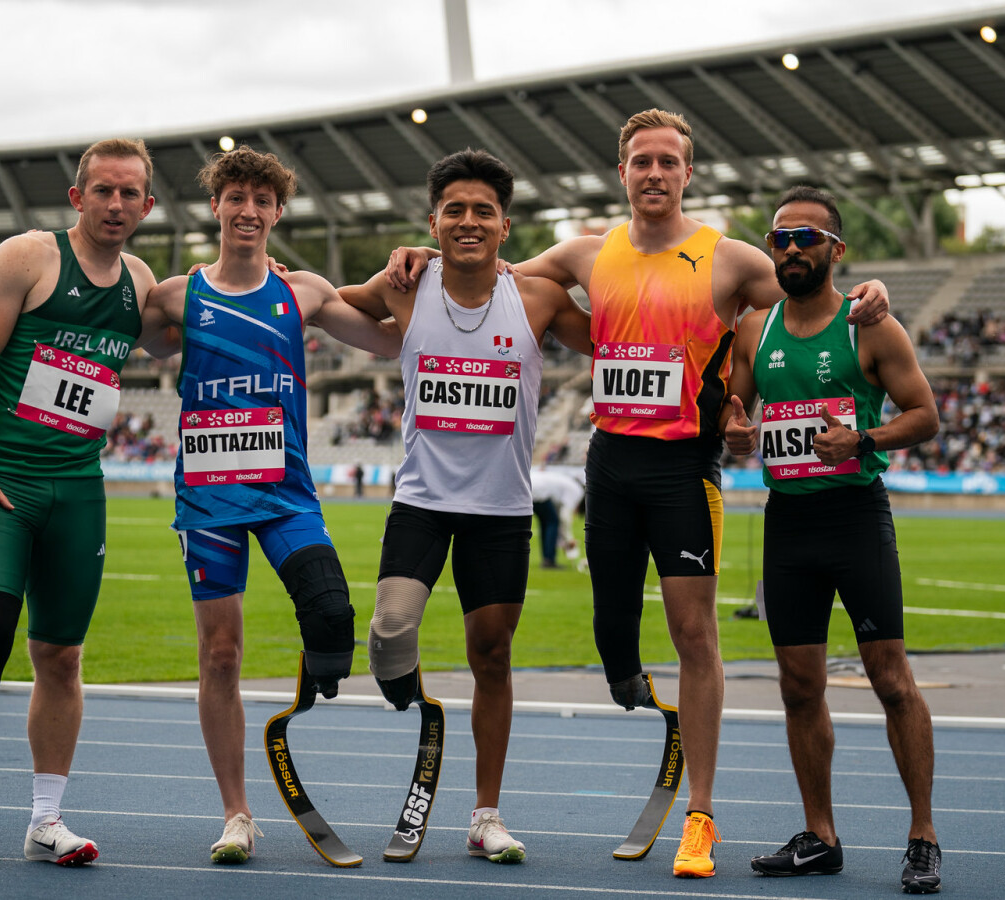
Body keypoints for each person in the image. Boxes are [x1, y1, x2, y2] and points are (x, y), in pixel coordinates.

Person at [387, 109, 891, 878]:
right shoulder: (587, 254)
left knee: (696, 635)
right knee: (612, 638)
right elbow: (493, 264)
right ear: (622, 173)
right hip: (610, 467)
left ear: (688, 174)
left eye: (668, 162)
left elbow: (802, 290)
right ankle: (627, 674)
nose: (654, 173)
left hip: (684, 471)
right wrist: (421, 255)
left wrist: (865, 295)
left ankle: (701, 817)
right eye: (641, 161)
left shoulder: (730, 260)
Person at [143, 145, 400, 866]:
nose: (248, 211)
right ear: (216, 207)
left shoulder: (305, 293)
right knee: (220, 654)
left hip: (286, 496)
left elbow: (385, 343)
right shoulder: (176, 294)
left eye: (262, 200)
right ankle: (236, 814)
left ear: (277, 212)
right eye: (236, 198)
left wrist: (436, 279)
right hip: (210, 501)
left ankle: (304, 699)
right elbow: (136, 340)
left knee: (331, 621)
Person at [340, 148, 592, 863]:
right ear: (434, 222)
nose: (469, 221)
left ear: (505, 225)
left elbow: (616, 337)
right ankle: (412, 704)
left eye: (484, 210)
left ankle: (486, 814)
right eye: (455, 210)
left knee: (491, 655)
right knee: (389, 635)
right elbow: (323, 303)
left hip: (501, 510)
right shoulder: (404, 288)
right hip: (422, 502)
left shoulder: (537, 297)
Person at [0, 138, 176, 870]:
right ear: (77, 198)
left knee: (61, 655)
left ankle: (46, 821)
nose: (114, 204)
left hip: (78, 489)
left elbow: (180, 341)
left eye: (128, 194)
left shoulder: (138, 281)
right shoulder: (27, 258)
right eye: (102, 191)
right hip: (2, 481)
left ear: (147, 206)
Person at [720, 185, 942, 893]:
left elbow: (925, 415)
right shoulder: (756, 328)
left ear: (835, 251)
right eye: (780, 238)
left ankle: (922, 836)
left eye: (805, 238)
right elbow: (737, 406)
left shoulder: (870, 325)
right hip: (788, 524)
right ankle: (821, 835)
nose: (790, 249)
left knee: (890, 681)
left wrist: (863, 439)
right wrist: (732, 424)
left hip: (855, 517)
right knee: (798, 686)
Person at [530, 466, 584, 569]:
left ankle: (547, 558)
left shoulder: (568, 484)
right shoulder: (577, 491)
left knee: (546, 522)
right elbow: (564, 517)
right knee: (552, 522)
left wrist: (562, 540)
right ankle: (549, 560)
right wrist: (569, 539)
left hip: (532, 487)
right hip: (539, 490)